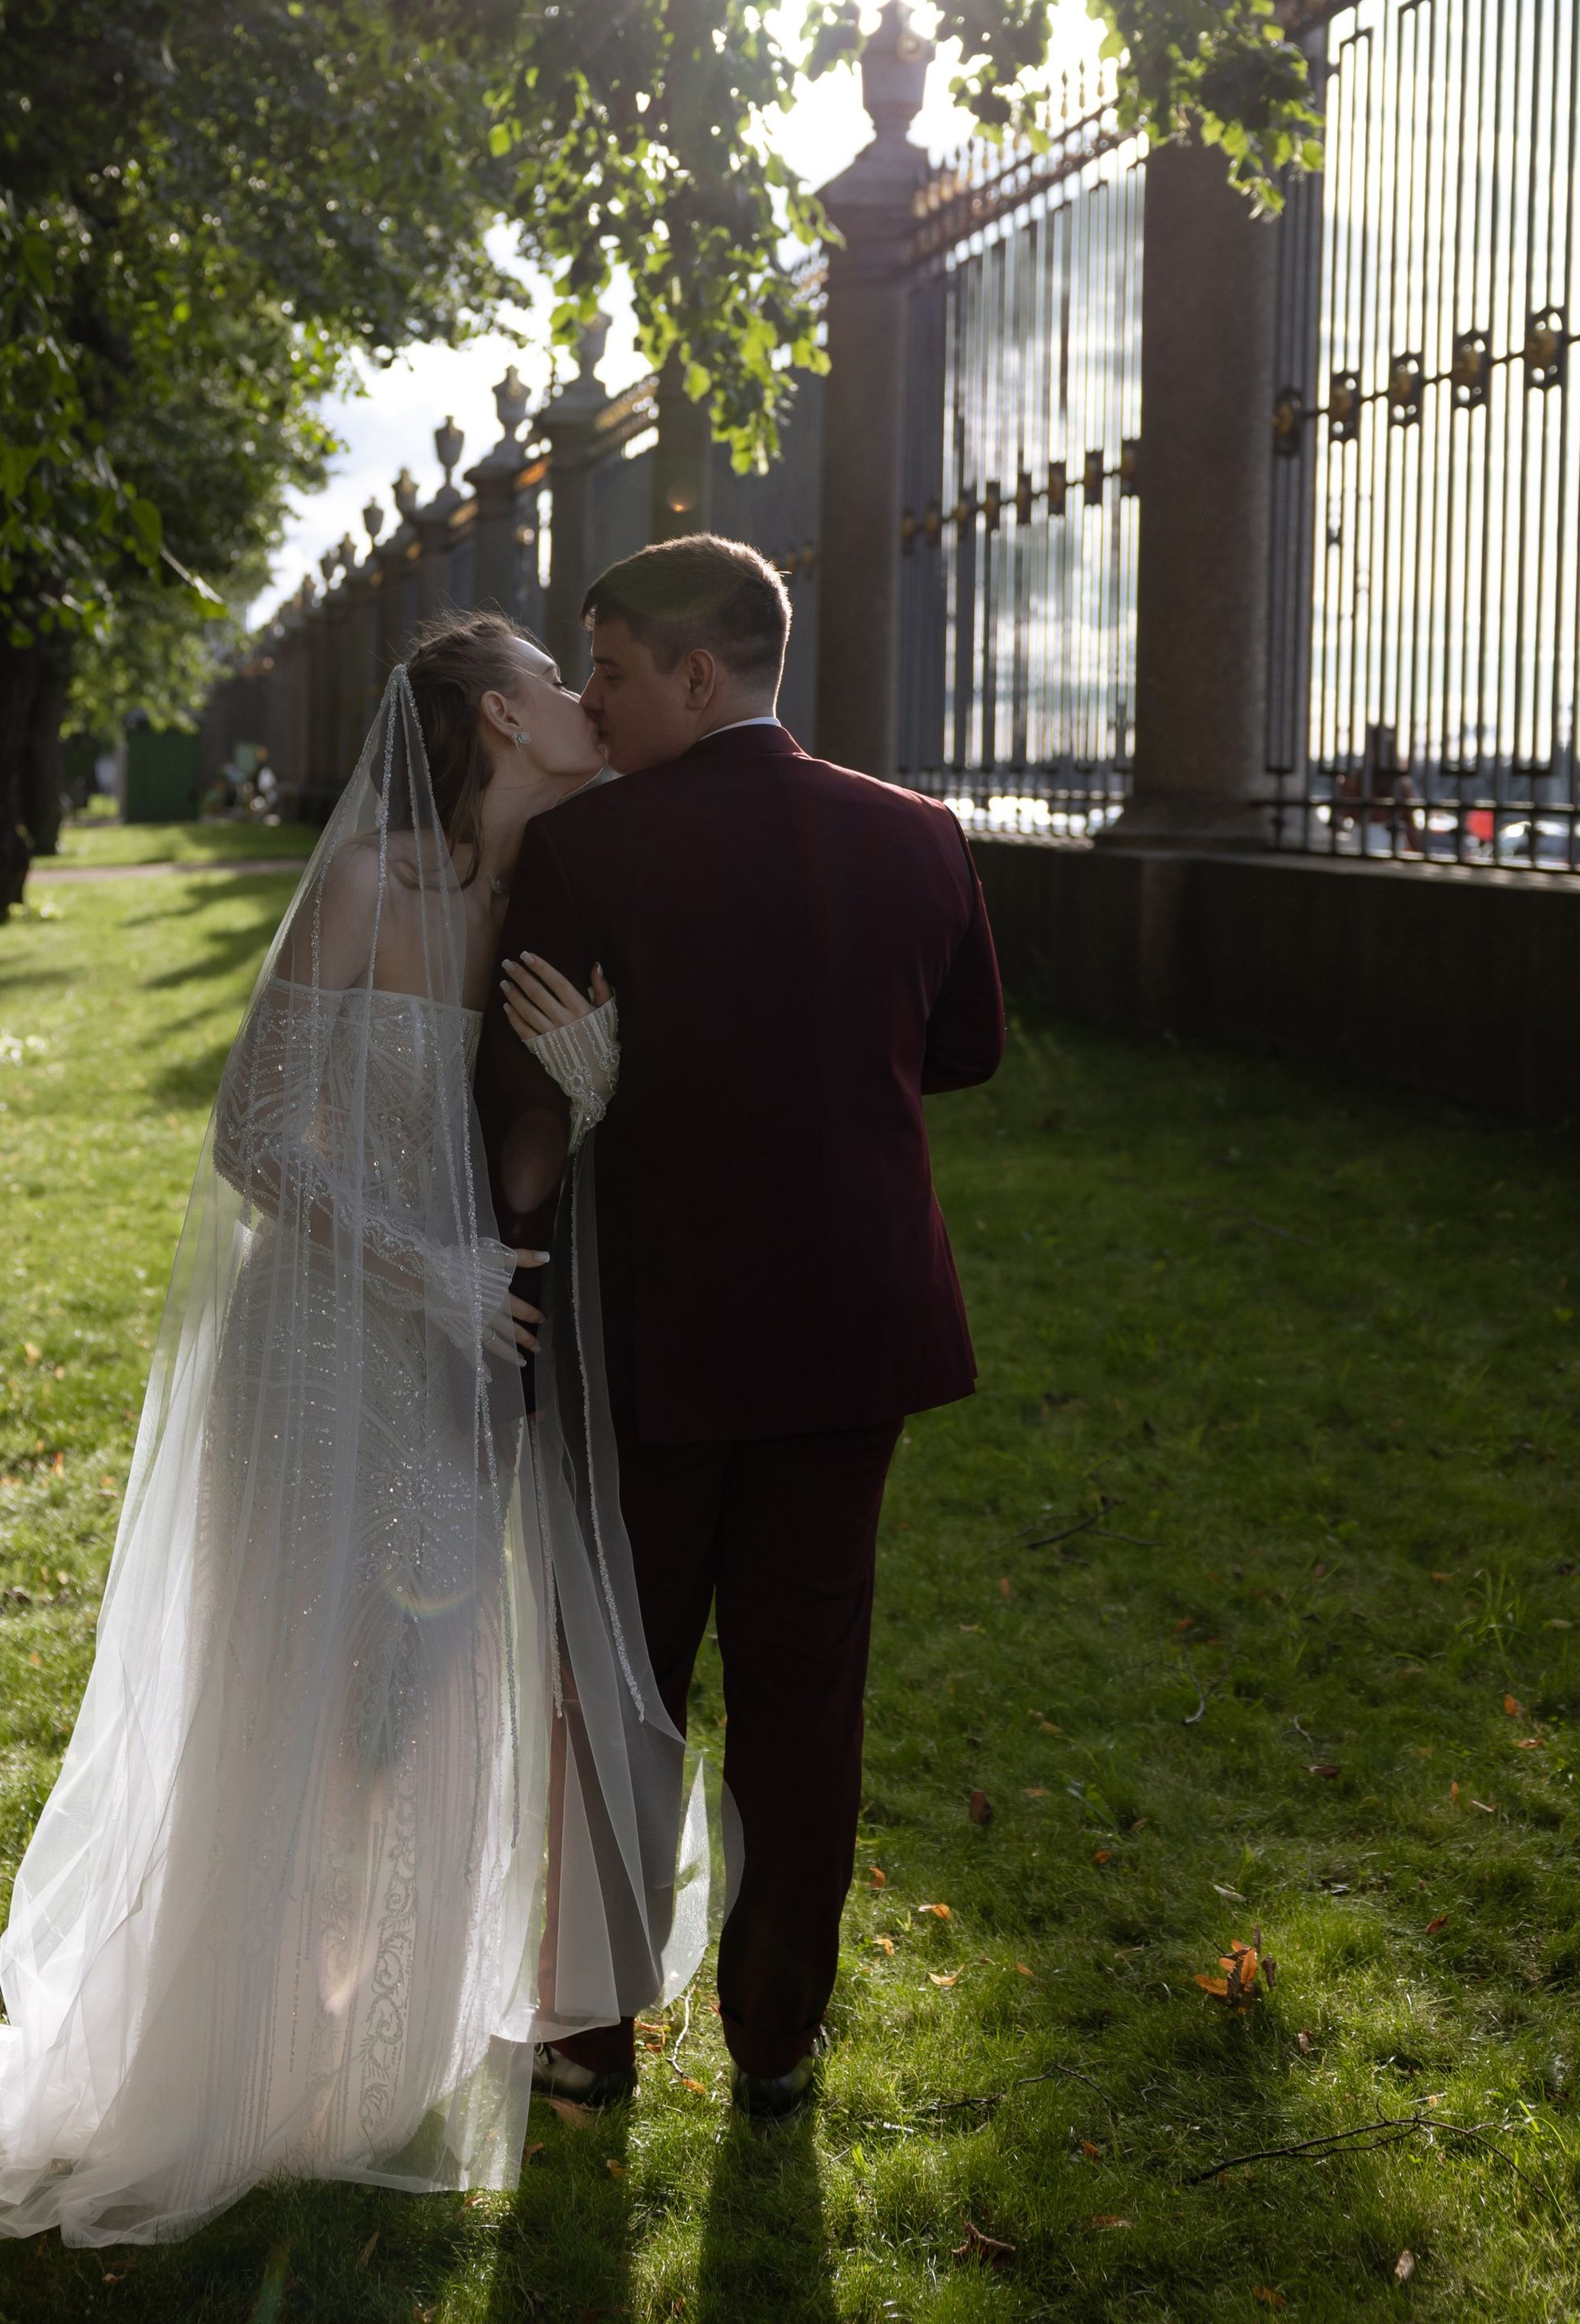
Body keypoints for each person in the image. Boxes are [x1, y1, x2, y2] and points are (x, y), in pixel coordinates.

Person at [0, 618, 706, 2245]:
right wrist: (426, 1267)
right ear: (499, 716)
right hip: (322, 1341)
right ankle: (234, 2055)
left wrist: (581, 1106)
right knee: (296, 1681)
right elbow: (250, 1135)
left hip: (455, 1353)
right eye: (553, 672)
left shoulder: (545, 897)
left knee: (413, 1691)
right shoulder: (366, 880)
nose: (587, 692)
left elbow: (512, 1140)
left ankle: (355, 2042)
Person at [480, 534, 1004, 2120]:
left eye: (612, 671)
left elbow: (521, 1095)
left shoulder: (584, 850)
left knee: (617, 1682)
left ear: (698, 674)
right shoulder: (921, 831)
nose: (593, 701)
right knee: (805, 1694)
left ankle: (589, 2038)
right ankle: (775, 2036)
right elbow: (961, 1049)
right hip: (851, 1333)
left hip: (655, 1333)